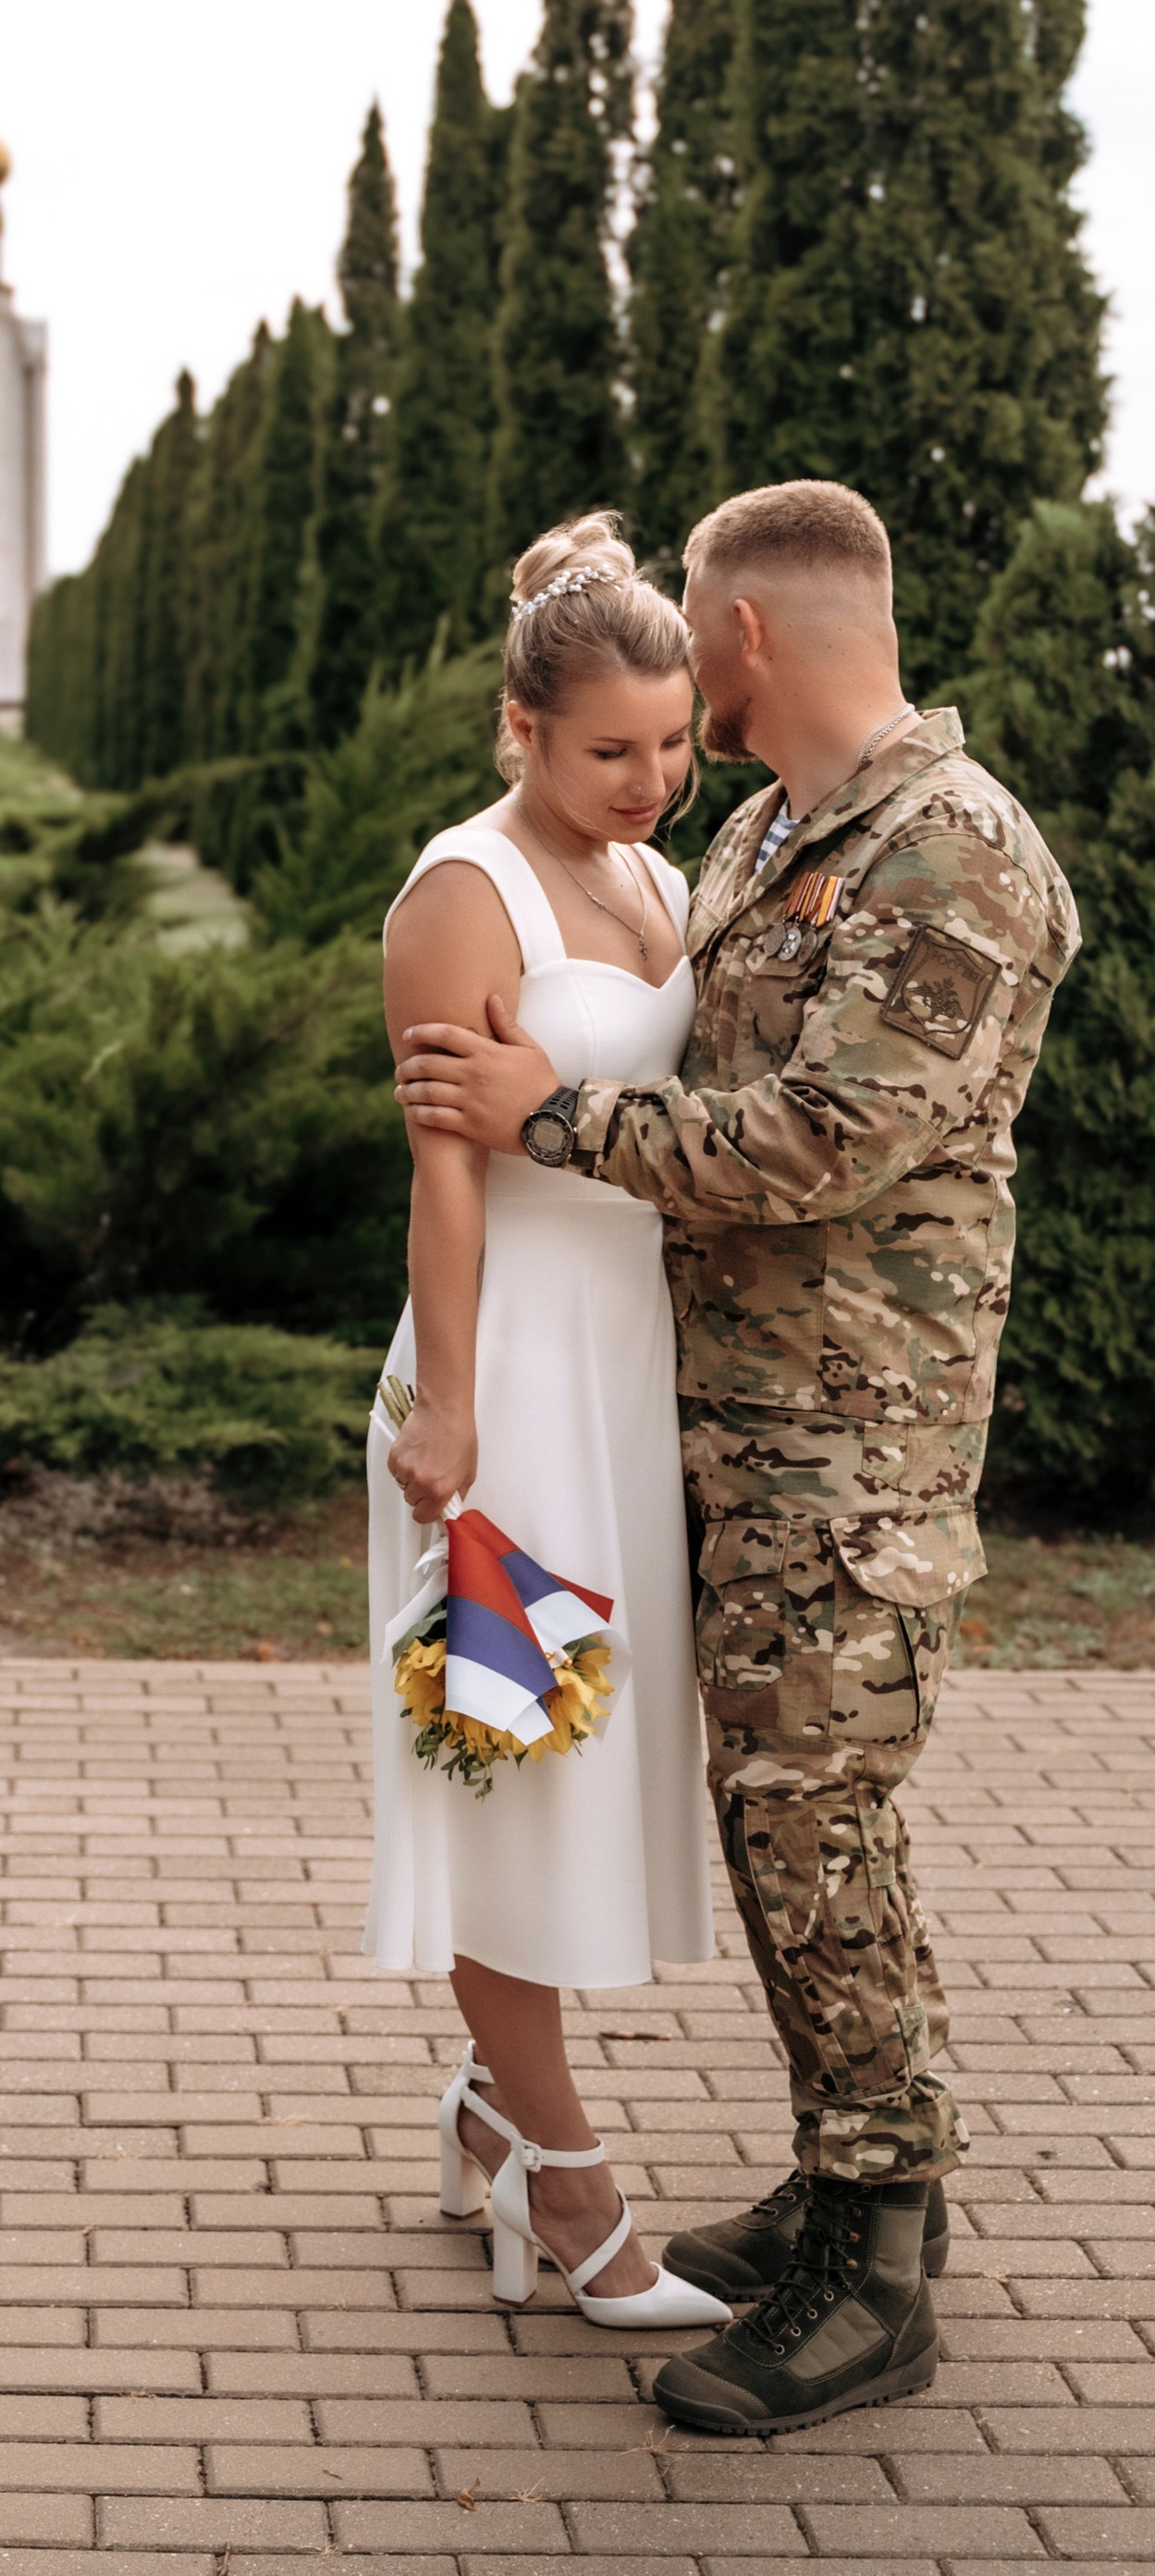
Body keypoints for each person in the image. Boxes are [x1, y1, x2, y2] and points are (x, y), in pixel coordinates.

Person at [394, 479, 1077, 2436]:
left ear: (746, 645)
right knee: (777, 1828)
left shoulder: (948, 855)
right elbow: (563, 802)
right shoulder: (779, 831)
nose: (679, 695)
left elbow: (815, 1140)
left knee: (816, 1830)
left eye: (692, 645)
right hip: (696, 1426)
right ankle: (839, 2188)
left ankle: (876, 2269)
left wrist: (548, 1117)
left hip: (849, 1452)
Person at [370, 512, 731, 2336]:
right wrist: (444, 1414)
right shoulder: (463, 894)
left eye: (671, 746)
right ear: (519, 730)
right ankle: (571, 2195)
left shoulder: (654, 884)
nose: (650, 783)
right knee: (512, 1778)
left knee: (586, 1767)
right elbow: (446, 1177)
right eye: (610, 751)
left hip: (623, 1380)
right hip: (505, 1386)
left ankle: (488, 2115)